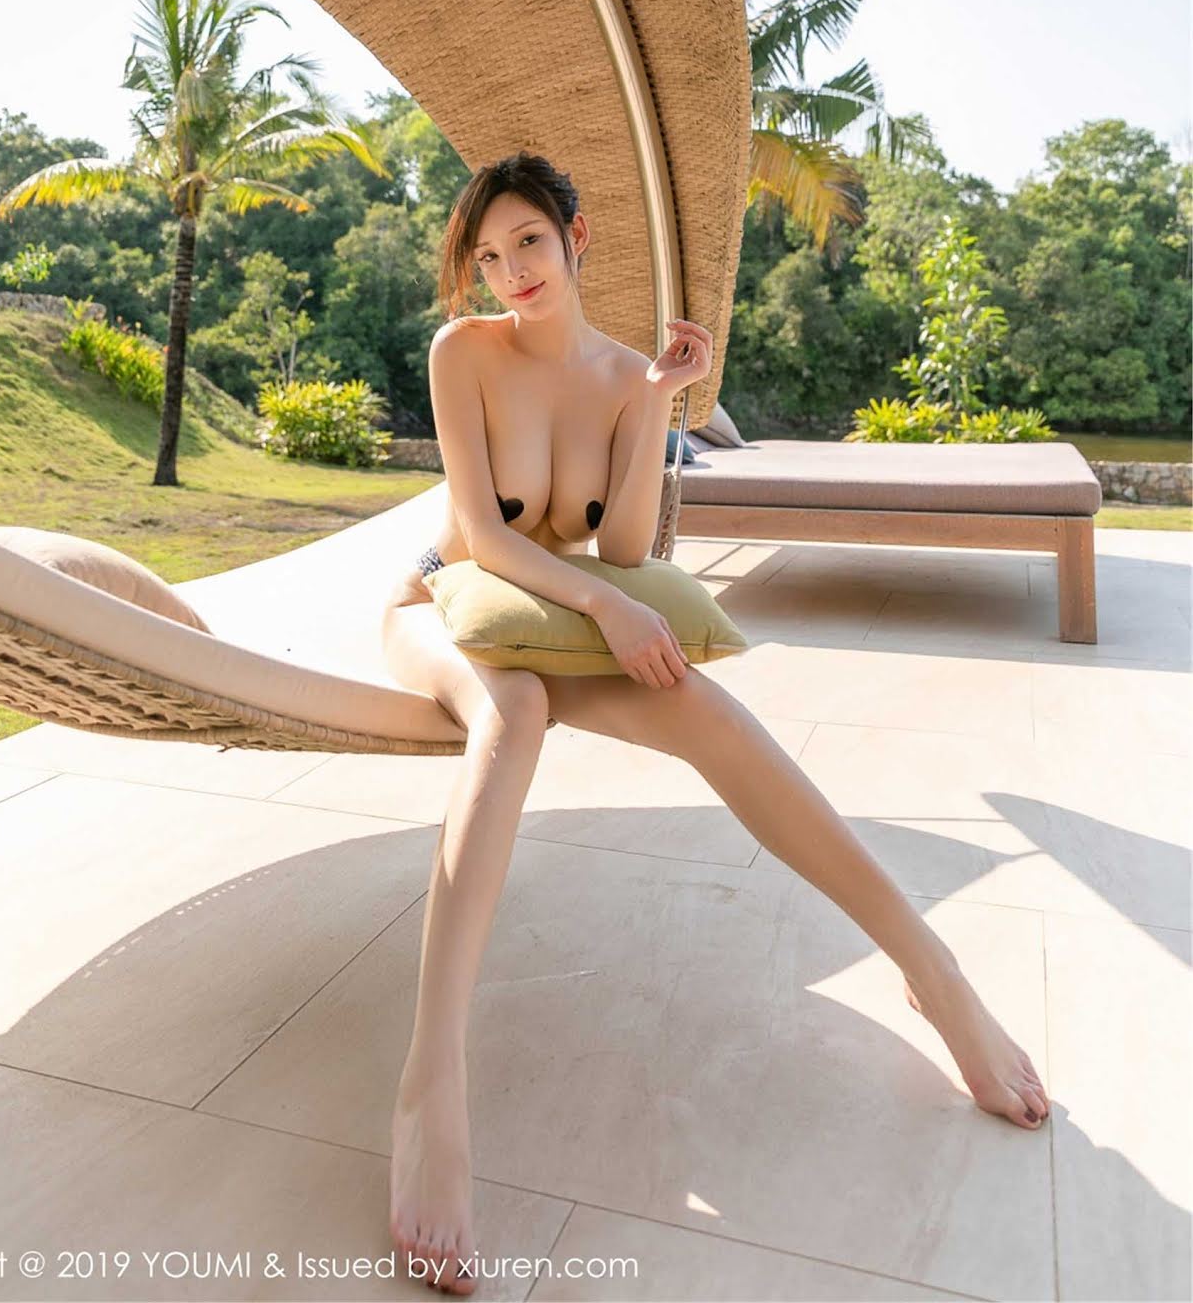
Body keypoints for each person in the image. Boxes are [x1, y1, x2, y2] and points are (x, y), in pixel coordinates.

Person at [381, 152, 1049, 1295]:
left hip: (552, 619)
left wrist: (657, 400)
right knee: (515, 711)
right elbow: (485, 540)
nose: (511, 271)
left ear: (577, 236)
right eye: (488, 256)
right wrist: (605, 604)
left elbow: (625, 548)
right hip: (441, 607)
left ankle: (930, 967)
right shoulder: (464, 354)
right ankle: (429, 1082)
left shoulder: (621, 376)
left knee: (707, 711)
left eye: (528, 241)